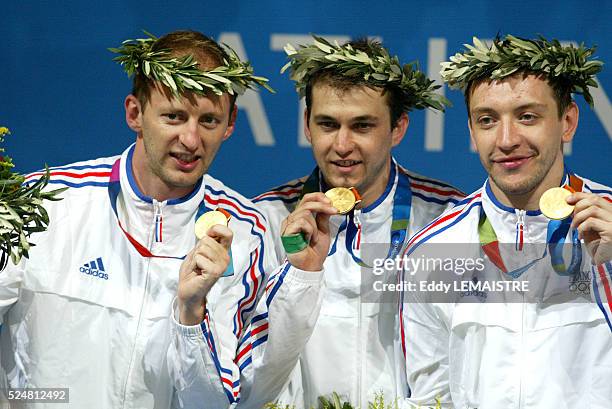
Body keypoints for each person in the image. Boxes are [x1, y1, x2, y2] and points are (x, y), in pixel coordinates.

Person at [0, 30, 323, 409]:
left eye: (208, 121)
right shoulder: (45, 202)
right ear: (135, 113)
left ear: (231, 123)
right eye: (174, 116)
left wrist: (191, 317)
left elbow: (231, 402)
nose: (190, 139)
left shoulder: (248, 234)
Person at [400, 34, 612, 408]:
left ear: (567, 121)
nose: (507, 139)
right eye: (487, 120)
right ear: (470, 131)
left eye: (527, 116)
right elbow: (431, 398)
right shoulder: (432, 249)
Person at [252, 36, 465, 408]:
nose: (342, 145)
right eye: (328, 124)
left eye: (362, 126)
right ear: (307, 124)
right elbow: (250, 381)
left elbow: (464, 361)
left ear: (398, 128)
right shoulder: (265, 219)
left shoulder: (448, 218)